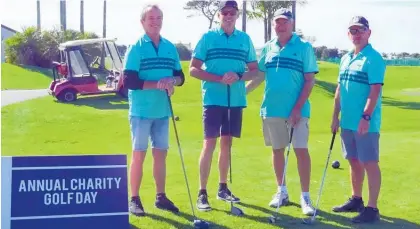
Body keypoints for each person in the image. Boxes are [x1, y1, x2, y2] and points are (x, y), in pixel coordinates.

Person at [246, 8, 319, 216]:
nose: (280, 25)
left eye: (284, 22)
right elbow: (259, 75)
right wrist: (242, 92)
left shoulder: (303, 47)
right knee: (277, 150)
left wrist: (297, 108)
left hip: (297, 111)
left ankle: (305, 197)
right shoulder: (269, 47)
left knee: (300, 150)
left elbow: (309, 80)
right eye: (277, 22)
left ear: (292, 23)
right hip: (271, 109)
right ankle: (282, 191)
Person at [189, 0, 258, 212]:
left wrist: (238, 75)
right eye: (225, 13)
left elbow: (254, 70)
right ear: (219, 15)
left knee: (227, 143)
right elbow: (193, 69)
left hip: (235, 100)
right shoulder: (208, 38)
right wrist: (219, 78)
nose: (229, 16)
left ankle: (222, 187)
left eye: (233, 13)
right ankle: (202, 193)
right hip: (212, 99)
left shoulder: (245, 39)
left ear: (237, 15)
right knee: (209, 143)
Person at [122, 4, 185, 216]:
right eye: (151, 18)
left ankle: (160, 197)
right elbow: (130, 80)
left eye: (159, 18)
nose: (155, 21)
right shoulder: (136, 47)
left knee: (161, 155)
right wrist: (158, 82)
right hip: (141, 111)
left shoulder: (170, 47)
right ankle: (134, 199)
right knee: (139, 155)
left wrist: (172, 81)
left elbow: (181, 77)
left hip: (162, 111)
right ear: (142, 22)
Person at [331, 16, 386, 223]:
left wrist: (366, 117)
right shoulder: (345, 58)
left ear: (368, 32)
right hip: (347, 121)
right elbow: (339, 90)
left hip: (366, 122)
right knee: (353, 161)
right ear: (348, 34)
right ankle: (356, 199)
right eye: (353, 31)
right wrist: (335, 116)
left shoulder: (374, 58)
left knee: (369, 162)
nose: (356, 34)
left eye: (360, 30)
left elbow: (375, 91)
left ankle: (372, 209)